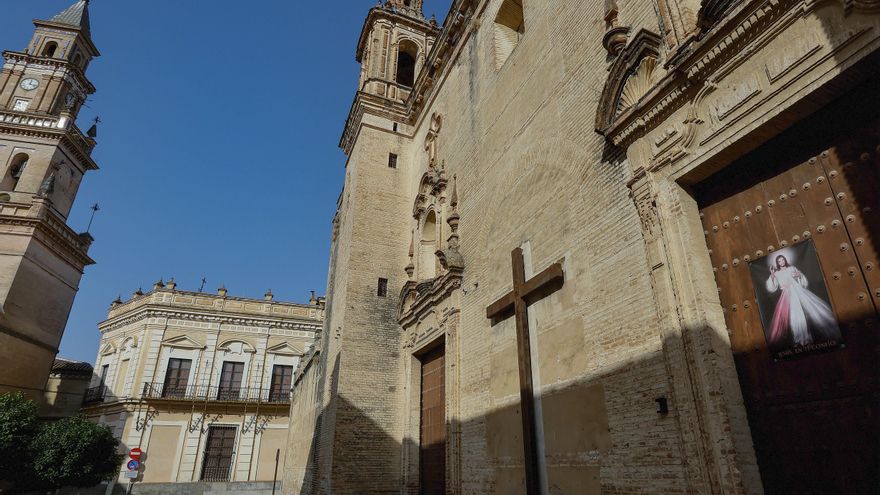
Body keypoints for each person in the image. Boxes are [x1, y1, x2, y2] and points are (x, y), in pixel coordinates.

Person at [765, 255, 837, 346]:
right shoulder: (777, 273)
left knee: (803, 313)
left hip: (798, 291)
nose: (782, 262)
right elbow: (772, 287)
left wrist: (799, 276)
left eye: (783, 260)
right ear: (777, 263)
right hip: (787, 295)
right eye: (779, 261)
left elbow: (802, 280)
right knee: (793, 317)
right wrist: (772, 275)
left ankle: (805, 338)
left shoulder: (792, 268)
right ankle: (798, 339)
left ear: (785, 260)